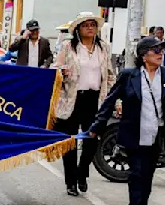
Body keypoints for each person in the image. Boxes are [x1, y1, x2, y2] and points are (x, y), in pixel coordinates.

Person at [89, 36, 165, 205]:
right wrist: (97, 126)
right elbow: (109, 102)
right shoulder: (129, 76)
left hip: (158, 135)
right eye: (157, 51)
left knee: (147, 175)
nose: (161, 54)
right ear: (144, 56)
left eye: (163, 50)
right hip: (134, 133)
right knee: (136, 173)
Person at [52, 12, 116, 197]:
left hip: (95, 100)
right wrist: (61, 73)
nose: (90, 27)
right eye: (85, 25)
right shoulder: (68, 47)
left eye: (93, 25)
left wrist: (114, 98)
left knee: (91, 141)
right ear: (78, 29)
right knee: (69, 142)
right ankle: (70, 182)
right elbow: (56, 68)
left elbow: (110, 74)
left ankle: (82, 172)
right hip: (72, 99)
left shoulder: (103, 48)